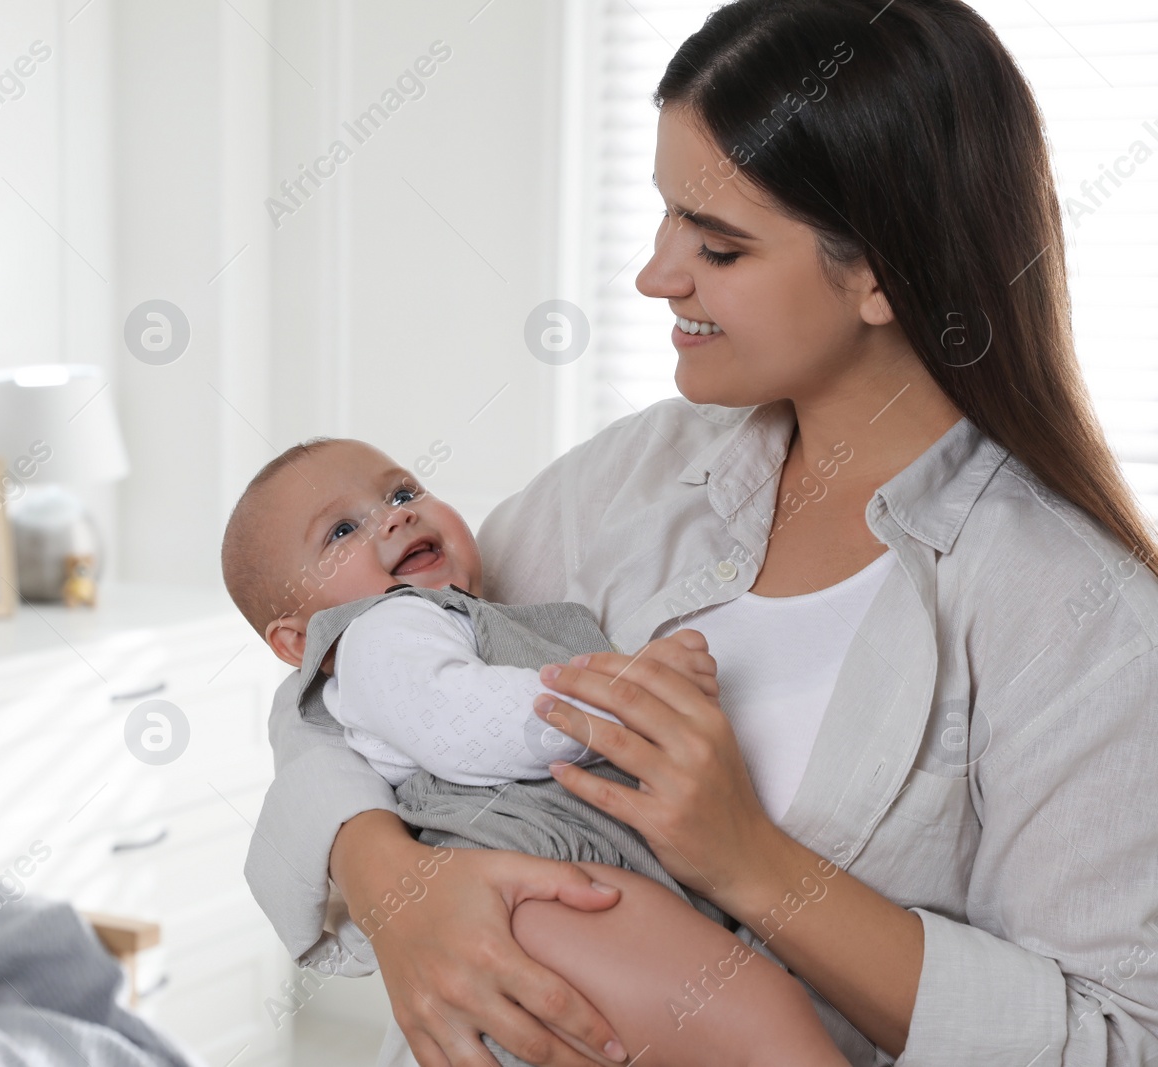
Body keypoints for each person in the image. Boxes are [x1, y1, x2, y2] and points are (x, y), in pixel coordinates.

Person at [243, 1, 1158, 1064]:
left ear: (876, 272)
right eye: (667, 215)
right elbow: (350, 671)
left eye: (717, 245)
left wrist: (750, 863)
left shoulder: (1077, 619)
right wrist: (389, 880)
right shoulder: (625, 481)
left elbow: (1114, 1038)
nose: (654, 273)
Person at [220, 436, 848, 1065]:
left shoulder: (453, 623)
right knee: (764, 1023)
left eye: (402, 492)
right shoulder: (379, 631)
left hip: (559, 889)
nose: (396, 515)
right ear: (300, 641)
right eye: (342, 531)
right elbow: (465, 723)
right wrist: (631, 697)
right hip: (531, 880)